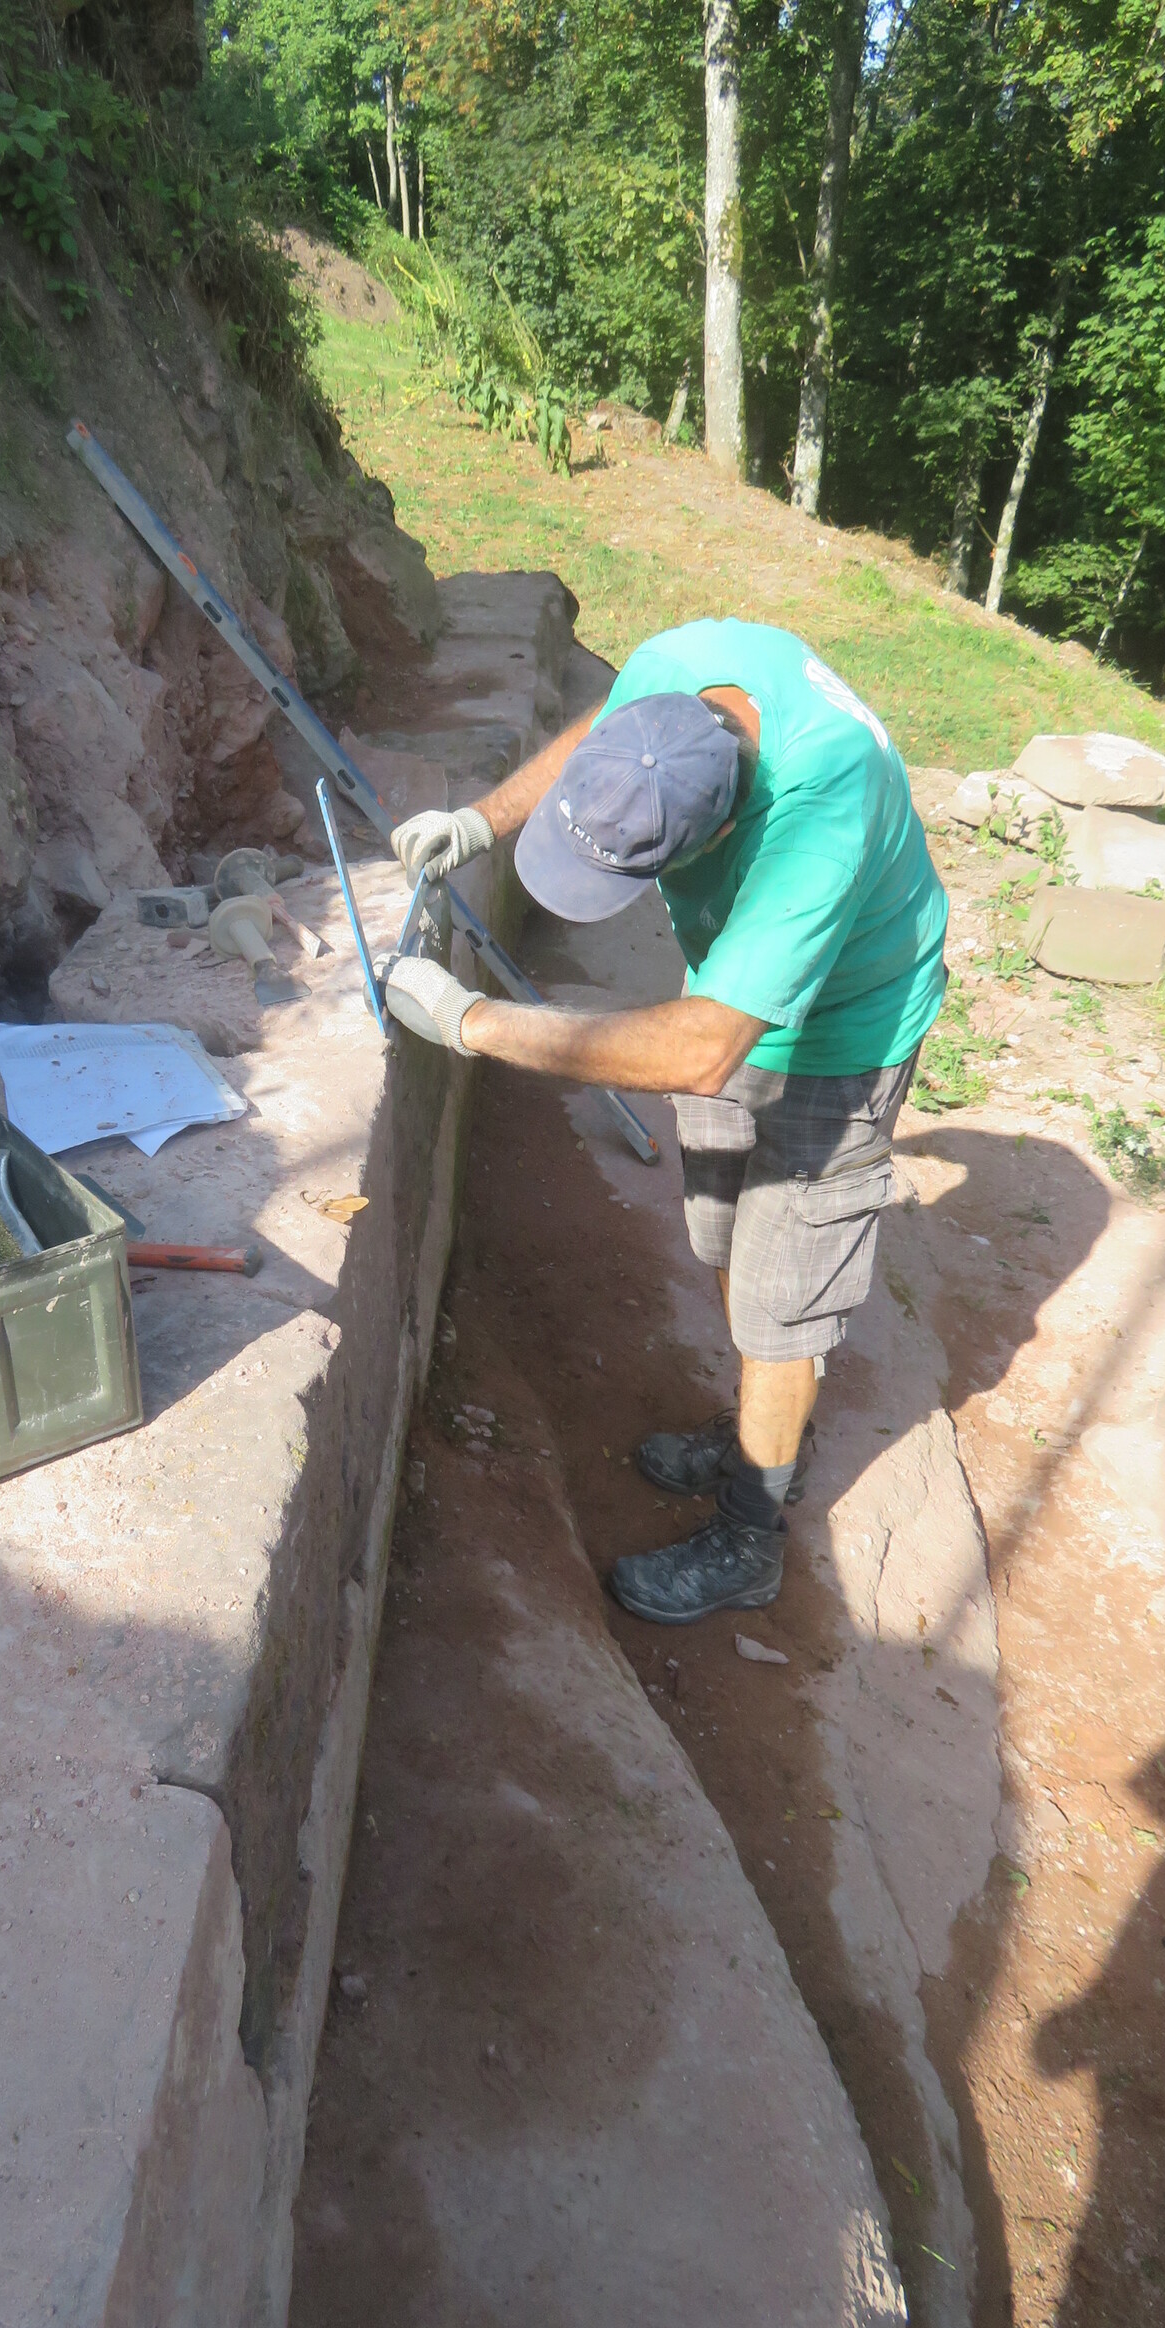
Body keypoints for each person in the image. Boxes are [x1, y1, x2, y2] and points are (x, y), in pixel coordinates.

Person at [383, 619, 949, 1625]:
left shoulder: (822, 806)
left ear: (720, 833)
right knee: (722, 1235)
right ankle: (759, 1427)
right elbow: (604, 727)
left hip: (843, 1029)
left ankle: (751, 1535)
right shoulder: (681, 669)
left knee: (782, 1297)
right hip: (735, 985)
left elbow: (703, 1048)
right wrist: (482, 820)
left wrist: (476, 1023)